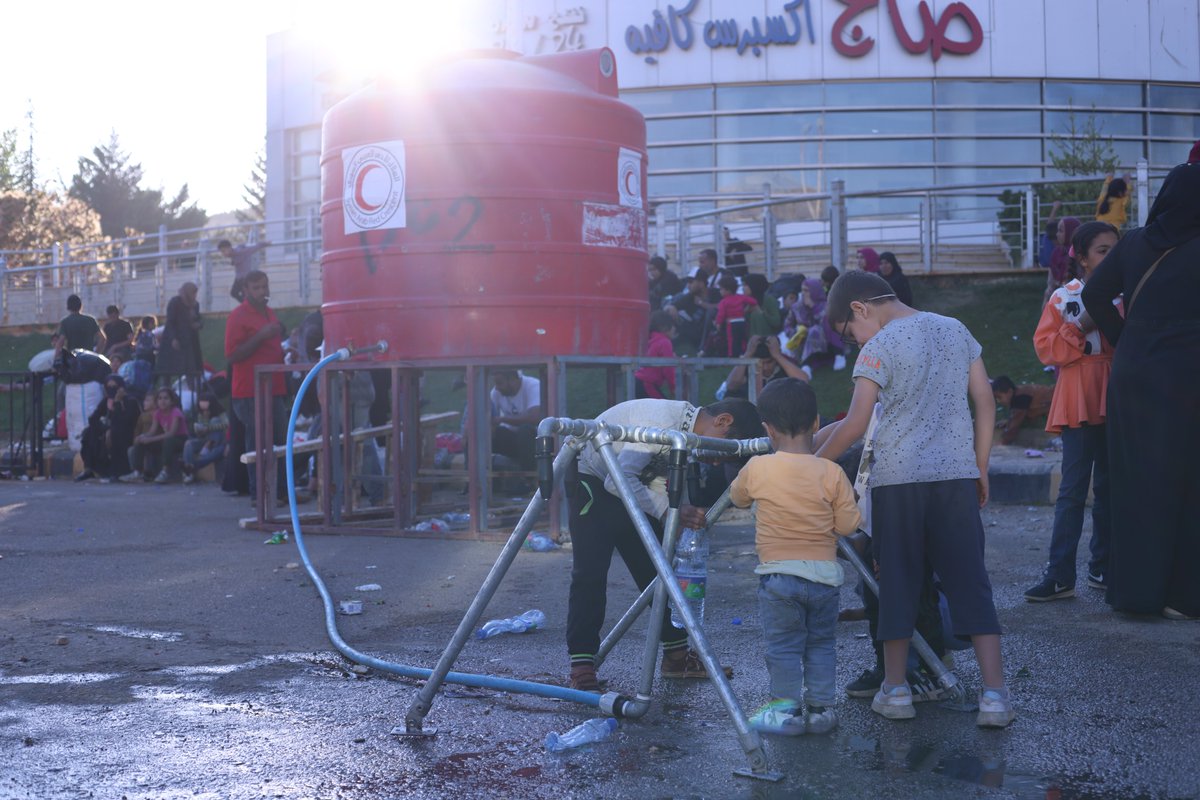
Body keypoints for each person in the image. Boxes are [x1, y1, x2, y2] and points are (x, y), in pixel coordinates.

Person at [815, 270, 1014, 728]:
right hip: (957, 478)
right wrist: (980, 466)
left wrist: (809, 468)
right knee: (971, 583)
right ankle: (995, 697)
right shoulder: (955, 328)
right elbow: (984, 401)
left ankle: (897, 690)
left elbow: (855, 423)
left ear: (860, 309)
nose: (854, 343)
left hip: (897, 483)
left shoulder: (878, 347)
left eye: (850, 334)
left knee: (898, 583)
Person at [565, 397, 763, 692]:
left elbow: (658, 482)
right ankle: (581, 666)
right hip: (592, 475)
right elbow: (617, 480)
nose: (719, 460)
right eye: (723, 449)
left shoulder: (686, 434)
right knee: (591, 570)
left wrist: (673, 518)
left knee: (659, 565)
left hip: (628, 483)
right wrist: (668, 511)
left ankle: (677, 656)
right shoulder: (659, 421)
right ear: (722, 421)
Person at [1081, 161, 1200, 621]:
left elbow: (1094, 296)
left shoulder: (1133, 243)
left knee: (1136, 481)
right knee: (1189, 483)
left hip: (1135, 374)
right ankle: (1185, 595)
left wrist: (1127, 336)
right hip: (1189, 375)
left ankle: (1135, 593)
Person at [729, 378, 861, 736]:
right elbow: (849, 525)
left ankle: (786, 714)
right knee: (821, 645)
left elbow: (738, 497)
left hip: (778, 578)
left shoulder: (758, 468)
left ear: (767, 429)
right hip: (824, 578)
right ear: (817, 423)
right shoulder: (831, 472)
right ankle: (822, 712)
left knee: (784, 649)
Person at [1024, 221, 1119, 602]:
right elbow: (1048, 350)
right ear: (1081, 258)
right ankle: (1060, 574)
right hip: (1079, 392)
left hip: (1117, 391)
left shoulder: (1129, 294)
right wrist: (1081, 324)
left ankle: (1104, 566)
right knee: (1073, 489)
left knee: (1112, 487)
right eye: (1102, 251)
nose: (1111, 257)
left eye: (1116, 249)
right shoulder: (1065, 298)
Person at [225, 270, 288, 506]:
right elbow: (232, 355)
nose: (262, 292)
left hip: (275, 387)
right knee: (258, 443)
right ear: (246, 290)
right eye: (256, 288)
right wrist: (261, 336)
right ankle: (259, 493)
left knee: (281, 440)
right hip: (250, 391)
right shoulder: (238, 316)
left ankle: (281, 491)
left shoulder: (269, 312)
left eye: (264, 287)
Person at [76, 374, 141, 483]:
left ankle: (118, 472)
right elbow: (93, 418)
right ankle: (89, 468)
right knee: (88, 433)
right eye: (109, 386)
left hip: (126, 432)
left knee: (115, 434)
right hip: (109, 430)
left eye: (114, 386)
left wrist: (117, 402)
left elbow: (124, 420)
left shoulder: (130, 401)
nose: (111, 389)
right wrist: (105, 429)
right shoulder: (106, 401)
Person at [122, 387, 188, 484]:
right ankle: (137, 472)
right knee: (141, 442)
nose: (162, 401)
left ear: (172, 401)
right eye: (160, 398)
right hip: (165, 439)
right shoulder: (158, 413)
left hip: (179, 439)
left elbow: (171, 433)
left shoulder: (175, 412)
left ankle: (165, 472)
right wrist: (142, 436)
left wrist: (151, 439)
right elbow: (152, 431)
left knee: (168, 441)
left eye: (166, 398)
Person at [784, 278, 846, 377]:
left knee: (816, 329)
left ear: (814, 290)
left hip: (827, 345)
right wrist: (795, 332)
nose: (803, 293)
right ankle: (807, 364)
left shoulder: (826, 306)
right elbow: (787, 325)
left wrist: (813, 307)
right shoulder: (796, 307)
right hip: (803, 345)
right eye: (802, 290)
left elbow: (828, 324)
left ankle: (839, 354)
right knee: (812, 331)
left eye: (806, 290)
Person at [718, 334, 808, 401]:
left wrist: (777, 355)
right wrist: (748, 354)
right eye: (761, 363)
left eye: (769, 362)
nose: (765, 367)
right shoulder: (746, 369)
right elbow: (731, 385)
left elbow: (804, 381)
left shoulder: (783, 368)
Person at [490, 369, 541, 471]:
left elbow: (534, 417)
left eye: (500, 383)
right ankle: (490, 475)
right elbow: (490, 420)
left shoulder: (533, 385)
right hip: (513, 440)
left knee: (525, 429)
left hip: (536, 441)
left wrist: (502, 419)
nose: (497, 387)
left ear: (513, 380)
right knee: (497, 433)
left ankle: (529, 474)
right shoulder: (495, 393)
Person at [157, 283, 203, 383]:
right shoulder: (175, 302)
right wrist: (173, 338)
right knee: (167, 370)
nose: (195, 295)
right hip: (174, 340)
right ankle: (165, 393)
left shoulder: (195, 305)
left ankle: (194, 394)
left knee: (191, 368)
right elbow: (170, 321)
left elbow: (199, 320)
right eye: (193, 293)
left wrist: (197, 324)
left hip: (189, 341)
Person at [990, 376, 1054, 446]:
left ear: (1010, 392)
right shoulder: (1017, 395)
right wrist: (1009, 421)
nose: (998, 401)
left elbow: (1014, 426)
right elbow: (1017, 416)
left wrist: (1003, 442)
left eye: (999, 397)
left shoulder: (1020, 398)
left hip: (1056, 402)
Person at [182, 392, 229, 484]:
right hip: (206, 440)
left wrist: (208, 428)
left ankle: (190, 468)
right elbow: (202, 434)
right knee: (189, 444)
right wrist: (201, 429)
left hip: (219, 442)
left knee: (215, 421)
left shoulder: (220, 413)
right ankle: (189, 473)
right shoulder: (201, 414)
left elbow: (227, 424)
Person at [634, 311, 677, 399]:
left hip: (638, 382)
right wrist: (674, 388)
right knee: (664, 409)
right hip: (647, 384)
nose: (674, 329)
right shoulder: (665, 342)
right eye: (672, 325)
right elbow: (668, 368)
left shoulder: (651, 339)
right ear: (664, 327)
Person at [663, 272, 710, 351]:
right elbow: (671, 306)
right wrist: (671, 308)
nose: (688, 286)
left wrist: (702, 304)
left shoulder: (715, 294)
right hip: (692, 339)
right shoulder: (690, 296)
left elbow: (719, 307)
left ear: (701, 283)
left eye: (691, 283)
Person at [712, 275, 758, 357]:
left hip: (731, 323)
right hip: (742, 321)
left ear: (728, 290)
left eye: (721, 289)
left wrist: (718, 324)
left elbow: (721, 314)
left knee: (732, 339)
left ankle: (732, 354)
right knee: (743, 338)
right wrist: (746, 309)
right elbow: (753, 301)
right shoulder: (741, 297)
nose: (720, 291)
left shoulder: (723, 302)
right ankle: (744, 353)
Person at [1044, 217, 1081, 306]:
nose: (1057, 235)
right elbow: (1051, 282)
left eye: (1060, 231)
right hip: (1056, 298)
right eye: (1058, 231)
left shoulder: (1080, 254)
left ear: (1071, 232)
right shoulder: (1056, 252)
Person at [741, 274, 782, 338]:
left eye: (745, 285)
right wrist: (745, 311)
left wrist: (761, 312)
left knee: (756, 314)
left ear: (754, 286)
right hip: (748, 341)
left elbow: (776, 322)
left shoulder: (769, 300)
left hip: (766, 339)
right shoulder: (744, 300)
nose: (743, 288)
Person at [1038, 201, 1063, 268]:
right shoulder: (1050, 239)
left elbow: (1049, 225)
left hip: (1045, 266)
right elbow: (1049, 225)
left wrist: (1055, 208)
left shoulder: (1047, 238)